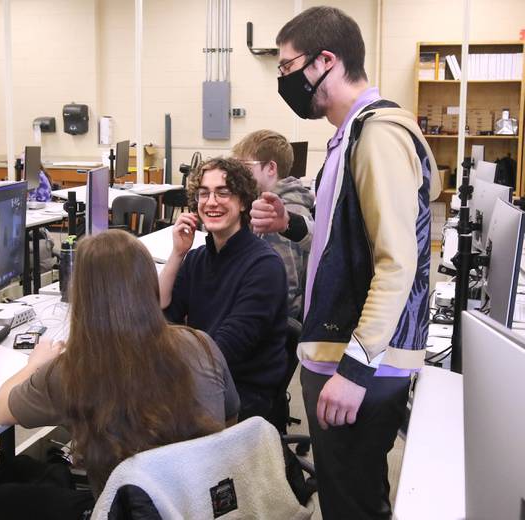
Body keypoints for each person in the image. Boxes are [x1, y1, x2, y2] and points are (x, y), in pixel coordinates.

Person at [251, 7, 440, 518]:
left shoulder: (377, 135)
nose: (283, 81)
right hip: (342, 354)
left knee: (352, 504)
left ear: (325, 61)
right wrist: (291, 227)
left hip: (357, 362)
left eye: (287, 68)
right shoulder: (350, 135)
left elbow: (397, 263)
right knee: (345, 495)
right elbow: (346, 246)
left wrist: (355, 371)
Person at [0, 229, 239, 497]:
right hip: (207, 503)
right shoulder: (200, 343)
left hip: (128, 511)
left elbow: (0, 410)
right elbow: (229, 419)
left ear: (83, 298)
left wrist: (34, 365)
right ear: (150, 285)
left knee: (1, 499)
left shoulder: (71, 371)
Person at [158, 157, 288, 429]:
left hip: (243, 395)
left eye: (223, 193)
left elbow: (227, 348)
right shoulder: (196, 259)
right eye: (204, 193)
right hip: (206, 379)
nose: (211, 202)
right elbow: (161, 314)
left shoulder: (264, 266)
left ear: (243, 202)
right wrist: (177, 254)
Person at [232, 130, 314, 321]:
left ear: (271, 168)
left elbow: (283, 291)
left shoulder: (281, 213)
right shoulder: (267, 204)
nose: (239, 173)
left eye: (245, 166)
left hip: (271, 323)